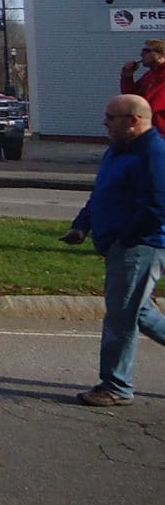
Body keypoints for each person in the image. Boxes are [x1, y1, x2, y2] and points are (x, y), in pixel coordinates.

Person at [61, 92, 165, 405]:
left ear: (134, 121)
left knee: (121, 318)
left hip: (141, 247)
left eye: (111, 117)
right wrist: (82, 225)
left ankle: (116, 387)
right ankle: (116, 384)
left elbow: (157, 207)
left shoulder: (154, 154)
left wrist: (125, 239)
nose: (104, 123)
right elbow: (102, 194)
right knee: (140, 311)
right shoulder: (118, 151)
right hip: (120, 245)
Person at [119, 38, 165, 132]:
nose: (141, 55)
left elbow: (153, 104)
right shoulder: (150, 75)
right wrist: (127, 76)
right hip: (149, 131)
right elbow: (131, 97)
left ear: (161, 55)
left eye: (145, 51)